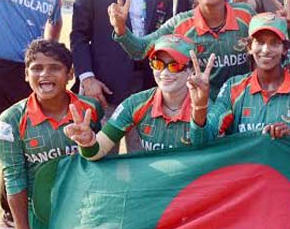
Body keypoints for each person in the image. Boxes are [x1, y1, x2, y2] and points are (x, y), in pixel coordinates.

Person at [0, 40, 102, 229]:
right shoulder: (10, 120)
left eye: (54, 67)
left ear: (70, 74)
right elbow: (14, 178)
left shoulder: (90, 109)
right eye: (36, 68)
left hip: (85, 211)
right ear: (26, 74)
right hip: (39, 216)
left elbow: (101, 162)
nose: (44, 74)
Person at [70, 0, 173, 154]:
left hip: (148, 87)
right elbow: (78, 36)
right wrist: (87, 78)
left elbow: (166, 40)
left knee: (143, 159)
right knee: (102, 155)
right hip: (105, 89)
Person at [0, 0, 62, 229]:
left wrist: (47, 65)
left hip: (27, 74)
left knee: (22, 149)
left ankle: (11, 216)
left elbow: (55, 25)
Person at [112, 0, 256, 98]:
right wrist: (121, 29)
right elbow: (140, 50)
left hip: (243, 105)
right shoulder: (180, 23)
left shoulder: (245, 15)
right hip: (200, 108)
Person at [64, 35, 210, 157]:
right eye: (158, 64)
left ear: (192, 69)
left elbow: (210, 155)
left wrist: (199, 109)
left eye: (175, 66)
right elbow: (98, 150)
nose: (165, 73)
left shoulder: (209, 106)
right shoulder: (136, 103)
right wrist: (88, 142)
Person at [192, 13, 290, 141]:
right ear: (249, 47)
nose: (266, 49)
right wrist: (199, 107)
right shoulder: (233, 87)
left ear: (285, 48)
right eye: (260, 42)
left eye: (274, 43)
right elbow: (203, 139)